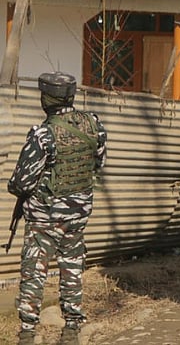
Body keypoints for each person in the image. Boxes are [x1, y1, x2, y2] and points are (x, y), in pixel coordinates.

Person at [8, 72, 107, 345]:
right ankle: (72, 328)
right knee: (72, 268)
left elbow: (21, 182)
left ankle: (28, 332)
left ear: (46, 99)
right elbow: (98, 164)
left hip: (45, 216)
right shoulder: (94, 125)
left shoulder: (43, 133)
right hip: (78, 214)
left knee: (34, 271)